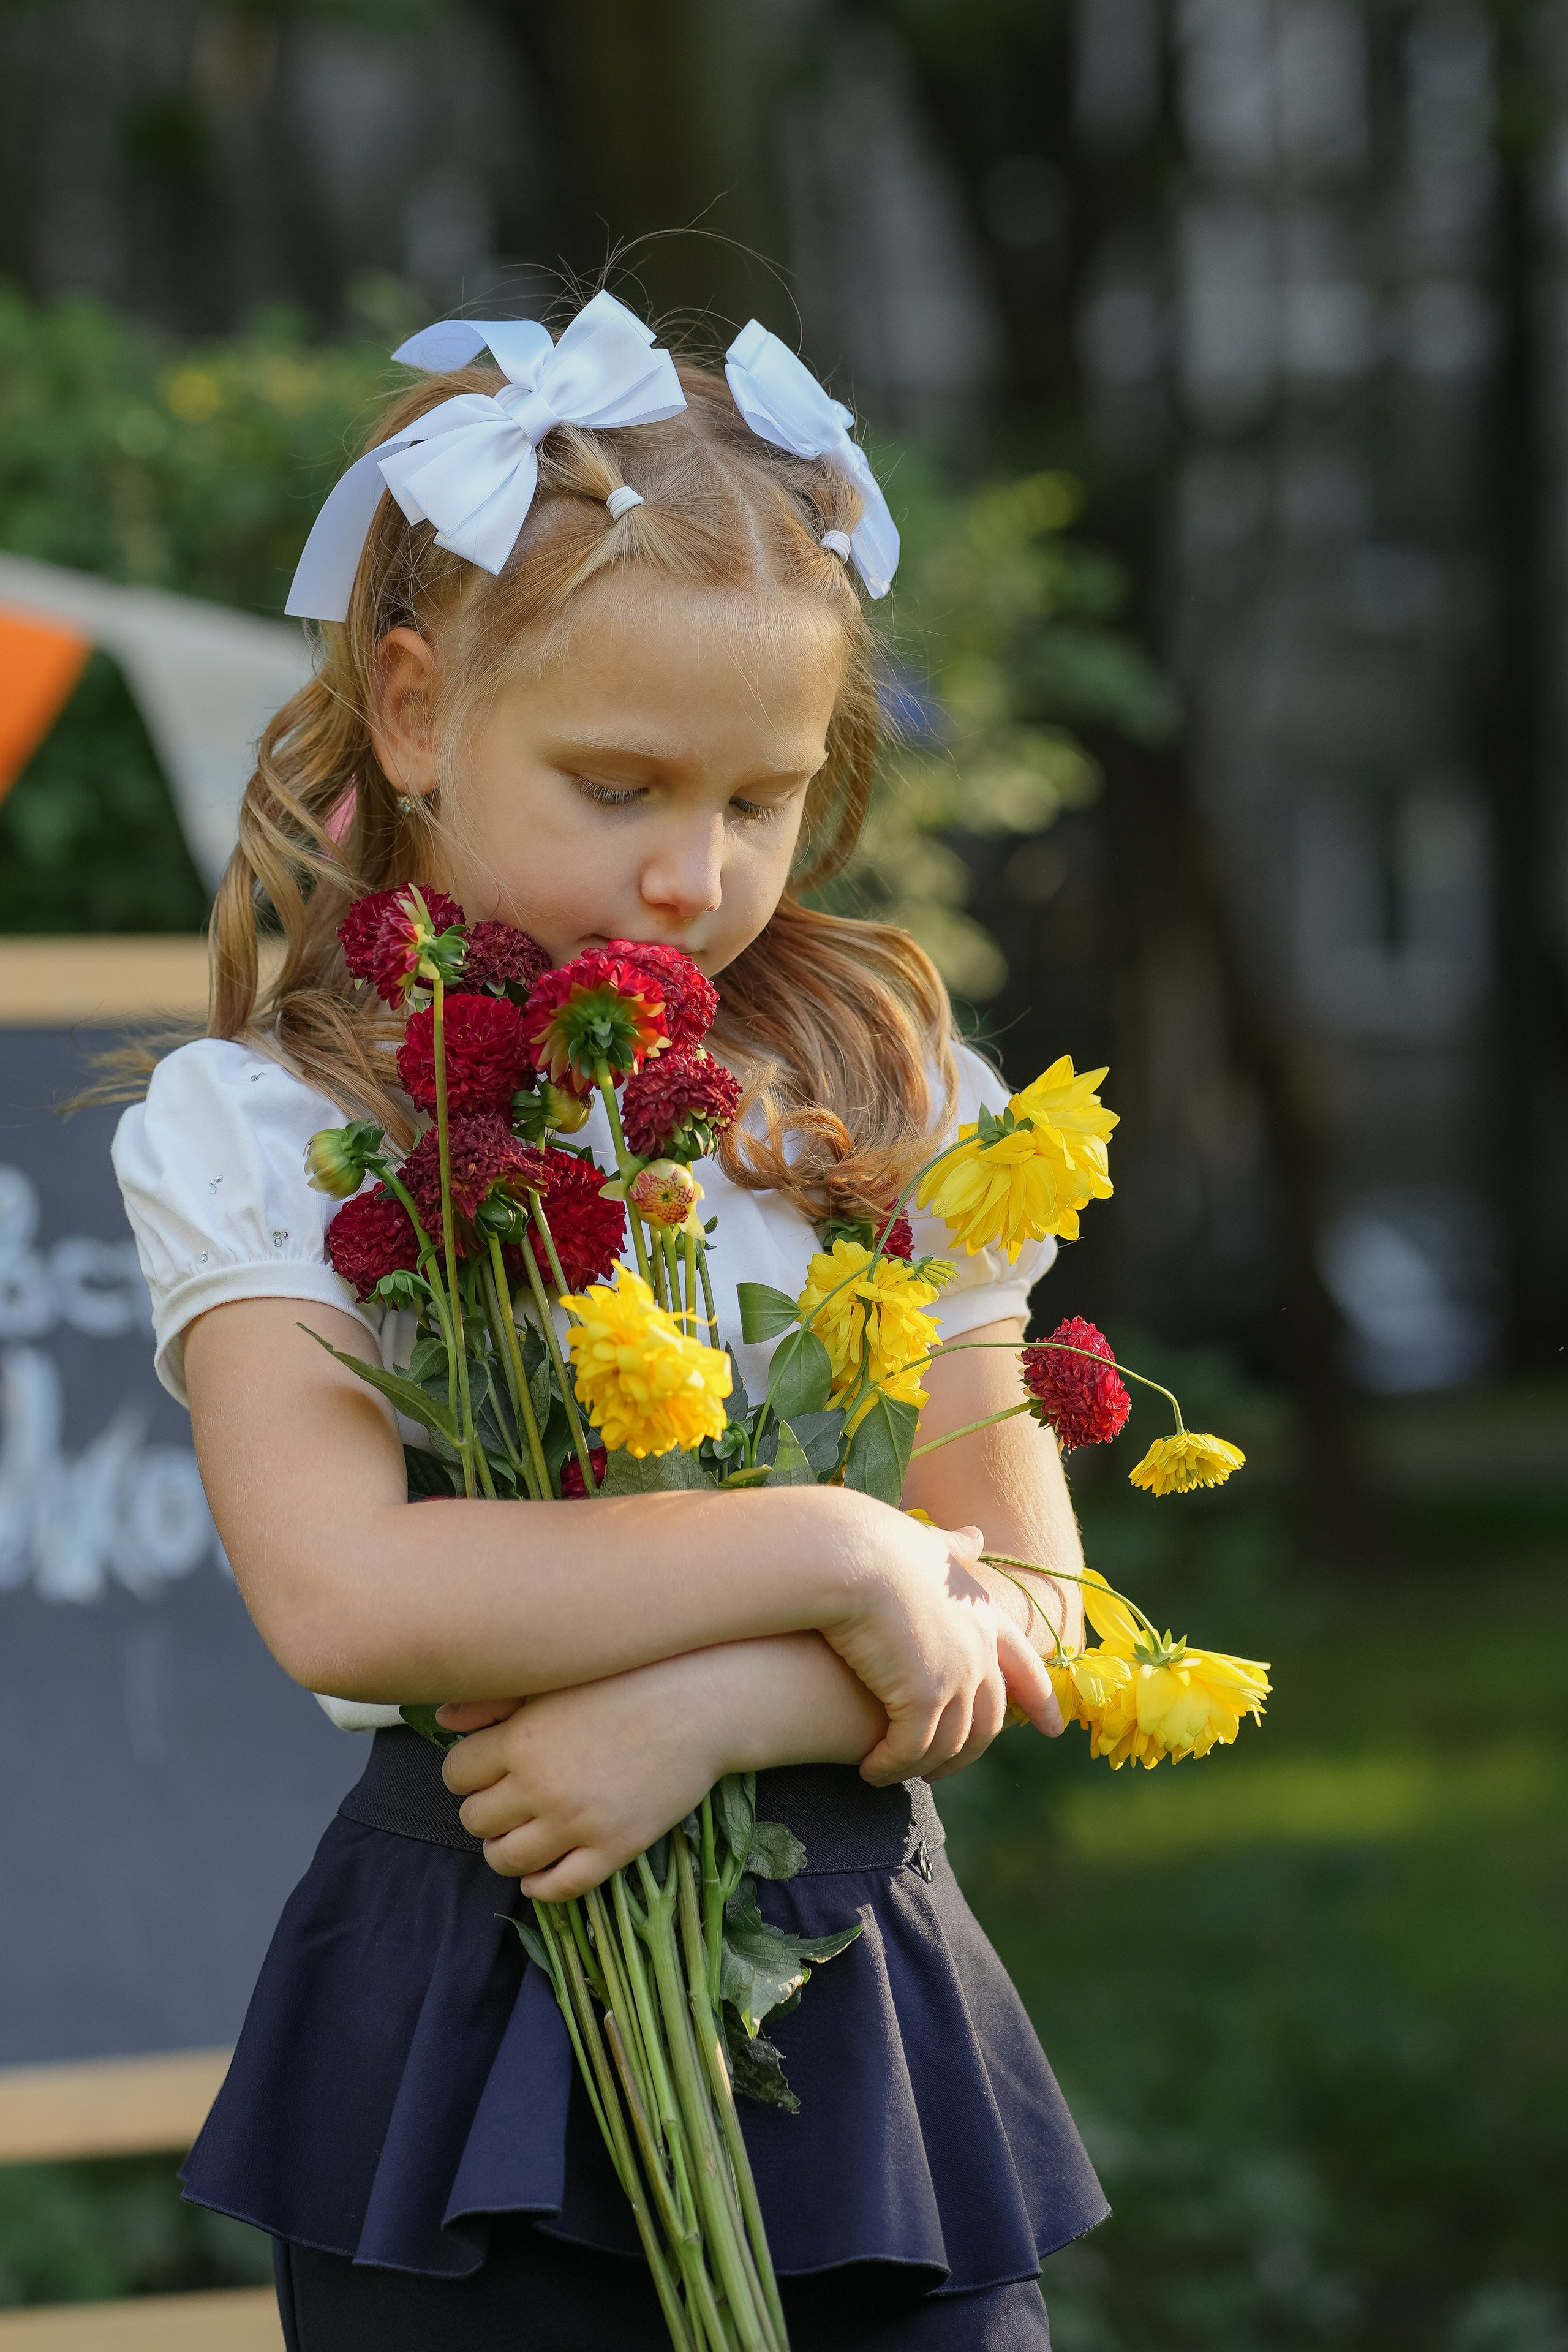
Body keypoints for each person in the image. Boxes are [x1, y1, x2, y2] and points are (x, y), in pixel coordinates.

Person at [113, 293, 1107, 2351]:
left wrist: (720, 1715)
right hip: (472, 2007)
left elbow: (1030, 1600)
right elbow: (348, 1595)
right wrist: (832, 1550)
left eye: (757, 800)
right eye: (619, 783)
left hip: (867, 2010)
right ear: (410, 708)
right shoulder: (289, 1123)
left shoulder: (888, 1102)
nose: (691, 874)